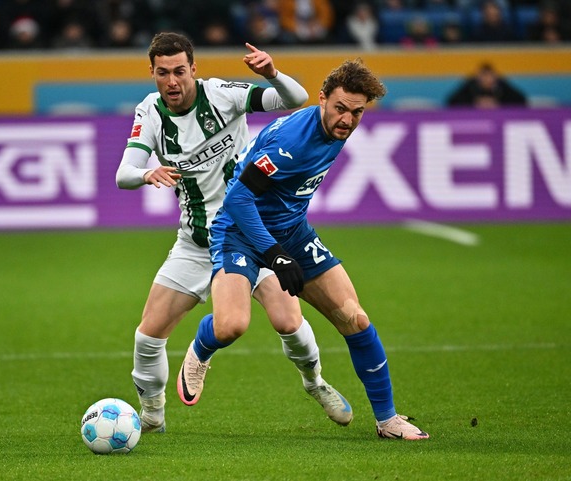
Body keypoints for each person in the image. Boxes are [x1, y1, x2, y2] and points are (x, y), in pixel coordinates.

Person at [177, 58, 430, 440]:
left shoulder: (335, 130)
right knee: (231, 325)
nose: (347, 120)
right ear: (323, 98)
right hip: (239, 232)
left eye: (357, 112)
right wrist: (274, 254)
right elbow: (239, 198)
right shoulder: (294, 141)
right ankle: (200, 348)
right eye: (340, 108)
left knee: (355, 319)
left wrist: (285, 245)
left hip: (293, 232)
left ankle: (388, 420)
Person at [116, 32, 354, 433]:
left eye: (179, 71)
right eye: (162, 73)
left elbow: (294, 99)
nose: (171, 81)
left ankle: (315, 383)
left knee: (289, 322)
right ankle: (152, 413)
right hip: (195, 244)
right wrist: (145, 173)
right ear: (152, 73)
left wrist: (273, 73)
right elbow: (123, 174)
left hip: (247, 233)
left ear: (194, 69)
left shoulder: (223, 95)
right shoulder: (151, 114)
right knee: (148, 336)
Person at [447, 62, 527, 108]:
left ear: (495, 76)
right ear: (478, 77)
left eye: (489, 76)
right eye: (483, 76)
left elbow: (522, 99)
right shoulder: (470, 85)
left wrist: (498, 103)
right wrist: (474, 103)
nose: (486, 79)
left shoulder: (502, 86)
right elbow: (451, 101)